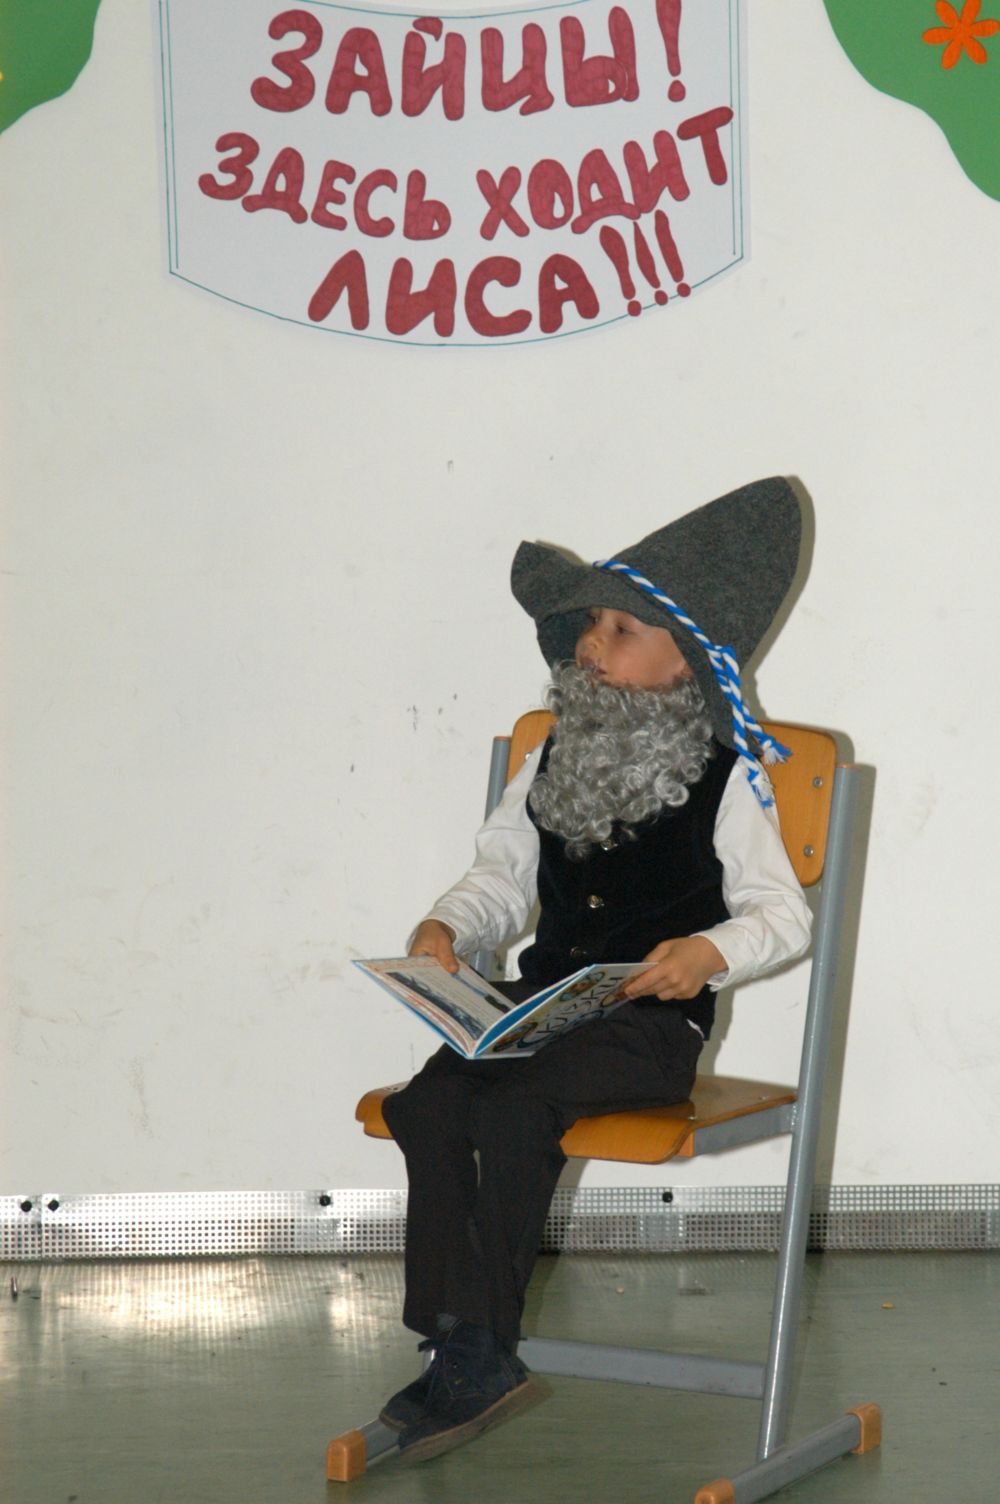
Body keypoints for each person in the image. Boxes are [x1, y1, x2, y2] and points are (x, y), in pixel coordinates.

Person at [378, 477, 812, 1463]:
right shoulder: (552, 756)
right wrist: (448, 926)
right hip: (537, 1007)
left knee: (510, 1111)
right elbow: (499, 875)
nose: (590, 644)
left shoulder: (725, 775)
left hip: (646, 1030)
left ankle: (480, 1352)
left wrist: (707, 953)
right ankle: (452, 1340)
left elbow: (782, 917)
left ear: (684, 660)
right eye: (588, 626)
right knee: (429, 1104)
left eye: (620, 629)